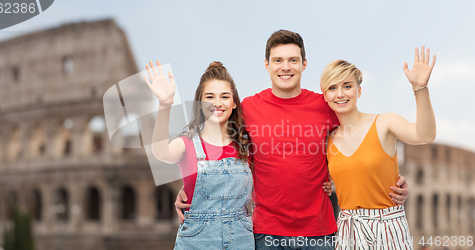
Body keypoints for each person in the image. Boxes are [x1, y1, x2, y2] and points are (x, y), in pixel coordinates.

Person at [176, 30, 411, 250]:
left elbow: (362, 140)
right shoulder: (248, 108)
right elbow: (221, 148)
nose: (285, 67)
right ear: (267, 65)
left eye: (293, 60)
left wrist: (393, 177)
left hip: (319, 233)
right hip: (265, 233)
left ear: (304, 64)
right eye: (278, 60)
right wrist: (191, 187)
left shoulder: (325, 105)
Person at [321, 46, 436, 249]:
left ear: (359, 90)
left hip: (389, 227)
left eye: (347, 86)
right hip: (348, 229)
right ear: (325, 95)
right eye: (332, 88)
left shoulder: (385, 123)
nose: (340, 94)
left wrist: (420, 88)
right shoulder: (326, 140)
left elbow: (425, 135)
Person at [145, 60, 254, 249]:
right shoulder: (186, 143)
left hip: (241, 239)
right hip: (196, 241)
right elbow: (161, 152)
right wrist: (165, 104)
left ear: (235, 103)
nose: (217, 103)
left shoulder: (246, 145)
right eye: (209, 97)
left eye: (225, 96)